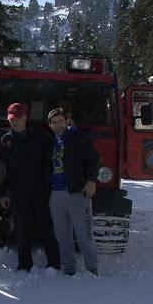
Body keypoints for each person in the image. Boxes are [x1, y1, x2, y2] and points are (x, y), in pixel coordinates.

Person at [0, 103, 61, 272]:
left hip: (41, 189)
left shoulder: (41, 136)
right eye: (12, 119)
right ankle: (24, 264)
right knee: (22, 229)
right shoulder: (6, 141)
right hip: (19, 191)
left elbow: (56, 154)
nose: (15, 122)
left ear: (25, 117)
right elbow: (1, 169)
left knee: (48, 228)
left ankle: (55, 263)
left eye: (18, 118)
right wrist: (3, 193)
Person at [47, 107, 100, 276]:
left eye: (60, 121)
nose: (58, 125)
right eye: (54, 123)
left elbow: (94, 158)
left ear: (67, 122)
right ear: (50, 125)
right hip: (56, 194)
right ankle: (68, 269)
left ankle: (92, 267)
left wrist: (91, 179)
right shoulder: (51, 142)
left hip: (77, 192)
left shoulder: (79, 138)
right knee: (62, 236)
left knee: (84, 234)